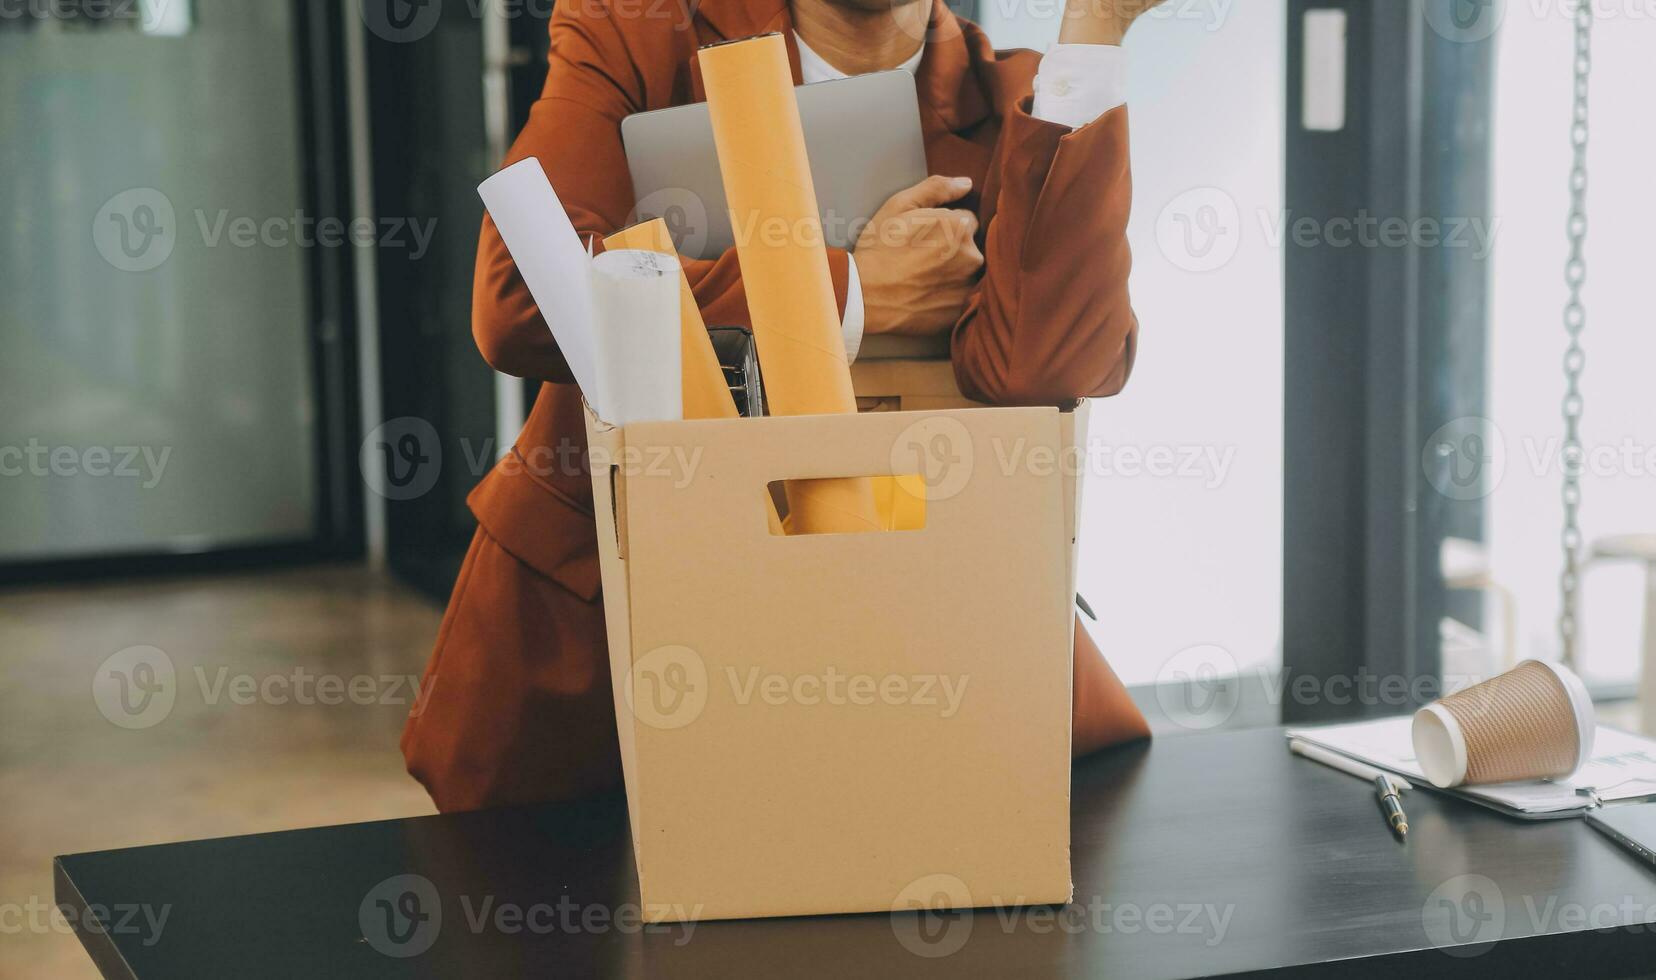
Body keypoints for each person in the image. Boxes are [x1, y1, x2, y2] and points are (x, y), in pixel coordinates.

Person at [402, 0, 1162, 813]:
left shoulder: (1012, 97)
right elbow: (526, 294)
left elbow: (1047, 364)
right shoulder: (635, 33)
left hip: (899, 641)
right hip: (611, 652)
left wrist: (1098, 29)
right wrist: (852, 293)